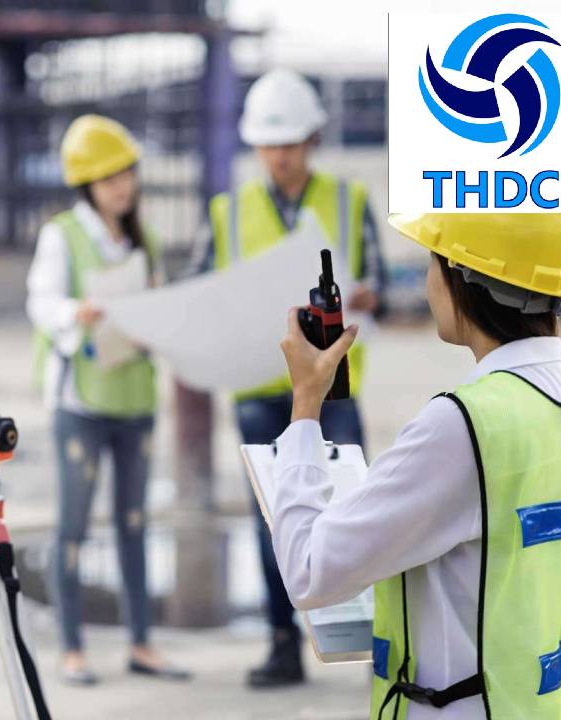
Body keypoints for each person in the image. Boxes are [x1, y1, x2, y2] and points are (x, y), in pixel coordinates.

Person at [274, 213, 561, 718]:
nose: (430, 281)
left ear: (465, 279)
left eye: (434, 261)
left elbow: (309, 571)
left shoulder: (460, 426)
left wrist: (305, 408)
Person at [196, 67, 389, 687]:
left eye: (291, 141)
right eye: (270, 144)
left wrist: (367, 294)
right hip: (257, 384)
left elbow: (379, 283)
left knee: (351, 504)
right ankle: (283, 644)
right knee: (274, 516)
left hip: (331, 382)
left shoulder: (348, 200)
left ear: (311, 139)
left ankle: (361, 639)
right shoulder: (226, 213)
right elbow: (204, 288)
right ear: (257, 146)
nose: (280, 155)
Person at [27, 113, 188, 686]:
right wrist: (78, 314)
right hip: (81, 402)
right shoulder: (62, 236)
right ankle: (72, 647)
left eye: (127, 174)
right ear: (87, 184)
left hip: (134, 395)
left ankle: (142, 642)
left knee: (136, 522)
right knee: (73, 525)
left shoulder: (142, 238)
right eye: (109, 177)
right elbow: (41, 303)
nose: (122, 186)